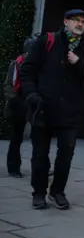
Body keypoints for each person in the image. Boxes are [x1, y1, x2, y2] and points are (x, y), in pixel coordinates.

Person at [20, 11, 84, 210]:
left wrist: (78, 63)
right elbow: (27, 71)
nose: (79, 24)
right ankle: (39, 193)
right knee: (40, 154)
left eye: (83, 22)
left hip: (71, 110)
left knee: (66, 153)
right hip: (43, 108)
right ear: (65, 22)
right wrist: (32, 95)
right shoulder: (47, 41)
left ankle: (57, 192)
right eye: (76, 20)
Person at [4, 37, 37, 177]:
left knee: (39, 139)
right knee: (17, 137)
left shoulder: (39, 65)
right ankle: (13, 167)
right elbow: (8, 86)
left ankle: (40, 169)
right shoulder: (16, 64)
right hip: (18, 103)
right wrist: (15, 101)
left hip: (34, 103)